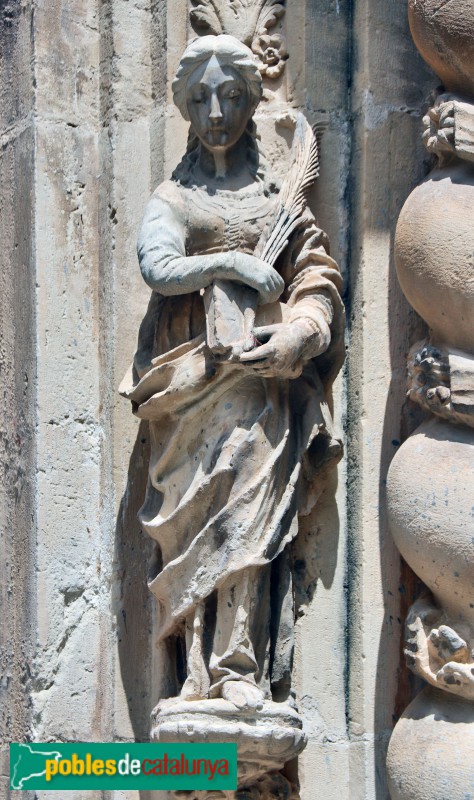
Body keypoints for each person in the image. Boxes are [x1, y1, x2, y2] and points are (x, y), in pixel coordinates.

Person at [120, 34, 344, 711]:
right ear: (186, 106)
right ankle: (193, 673)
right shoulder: (177, 198)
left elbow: (317, 281)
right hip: (191, 389)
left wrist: (300, 336)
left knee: (248, 521)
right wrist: (229, 265)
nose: (217, 112)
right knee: (195, 532)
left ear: (251, 100)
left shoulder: (277, 205)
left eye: (231, 96)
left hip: (259, 393)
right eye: (202, 98)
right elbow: (157, 266)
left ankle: (238, 662)